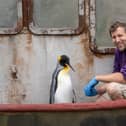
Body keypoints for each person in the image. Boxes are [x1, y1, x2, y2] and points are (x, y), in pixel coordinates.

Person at [84, 21, 126, 101]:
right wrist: (97, 91)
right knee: (100, 101)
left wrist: (97, 78)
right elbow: (116, 77)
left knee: (112, 88)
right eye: (114, 37)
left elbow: (123, 78)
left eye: (120, 35)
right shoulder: (119, 51)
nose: (117, 40)